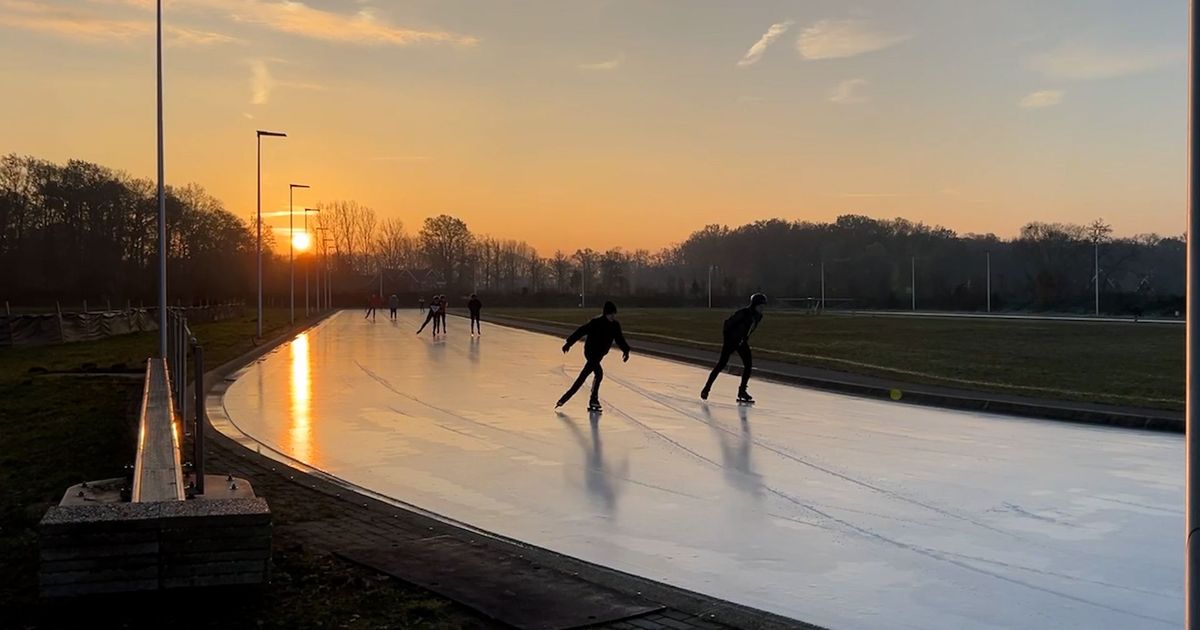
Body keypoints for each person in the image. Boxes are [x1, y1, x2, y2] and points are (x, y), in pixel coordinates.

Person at [556, 301, 630, 412]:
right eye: (611, 314)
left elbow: (619, 339)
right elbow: (581, 331)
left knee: (586, 375)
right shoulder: (596, 323)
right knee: (597, 374)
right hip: (590, 352)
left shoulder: (615, 325)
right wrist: (569, 343)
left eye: (614, 314)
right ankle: (593, 399)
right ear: (606, 313)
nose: (613, 316)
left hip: (599, 354)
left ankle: (565, 399)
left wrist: (625, 350)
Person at [701, 293, 766, 404]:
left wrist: (743, 339)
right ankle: (706, 389)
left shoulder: (758, 316)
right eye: (760, 306)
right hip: (731, 341)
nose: (762, 308)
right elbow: (727, 324)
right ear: (754, 305)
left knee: (748, 365)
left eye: (763, 306)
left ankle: (742, 391)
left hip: (741, 342)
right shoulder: (743, 313)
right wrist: (730, 340)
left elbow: (748, 330)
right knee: (721, 364)